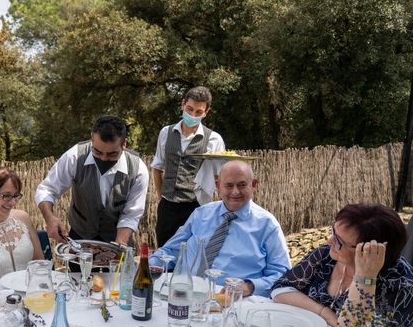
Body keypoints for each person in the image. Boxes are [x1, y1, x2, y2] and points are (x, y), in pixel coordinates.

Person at [149, 160, 290, 298]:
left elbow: (282, 275)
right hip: (185, 293)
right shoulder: (201, 214)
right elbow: (170, 250)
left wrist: (249, 286)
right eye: (229, 185)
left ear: (253, 185)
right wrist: (146, 265)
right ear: (218, 186)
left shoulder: (267, 225)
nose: (235, 192)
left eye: (241, 185)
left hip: (234, 302)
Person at [271, 204, 413, 327]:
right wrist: (324, 312)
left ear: (368, 250)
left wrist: (365, 278)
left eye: (339, 241)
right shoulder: (327, 255)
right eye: (333, 232)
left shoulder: (399, 283)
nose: (329, 241)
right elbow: (280, 289)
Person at [35, 115, 149, 246]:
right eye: (97, 151)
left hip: (118, 239)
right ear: (91, 139)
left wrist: (117, 248)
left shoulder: (138, 170)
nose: (104, 159)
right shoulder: (74, 157)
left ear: (124, 144)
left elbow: (131, 215)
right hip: (80, 239)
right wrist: (50, 218)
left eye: (112, 154)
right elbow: (47, 189)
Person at [152, 86, 225, 247]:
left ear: (206, 112)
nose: (192, 115)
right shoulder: (166, 132)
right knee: (164, 255)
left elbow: (220, 177)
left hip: (195, 207)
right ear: (183, 104)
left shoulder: (214, 139)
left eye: (198, 112)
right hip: (167, 208)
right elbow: (157, 167)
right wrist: (161, 197)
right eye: (189, 109)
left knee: (192, 257)